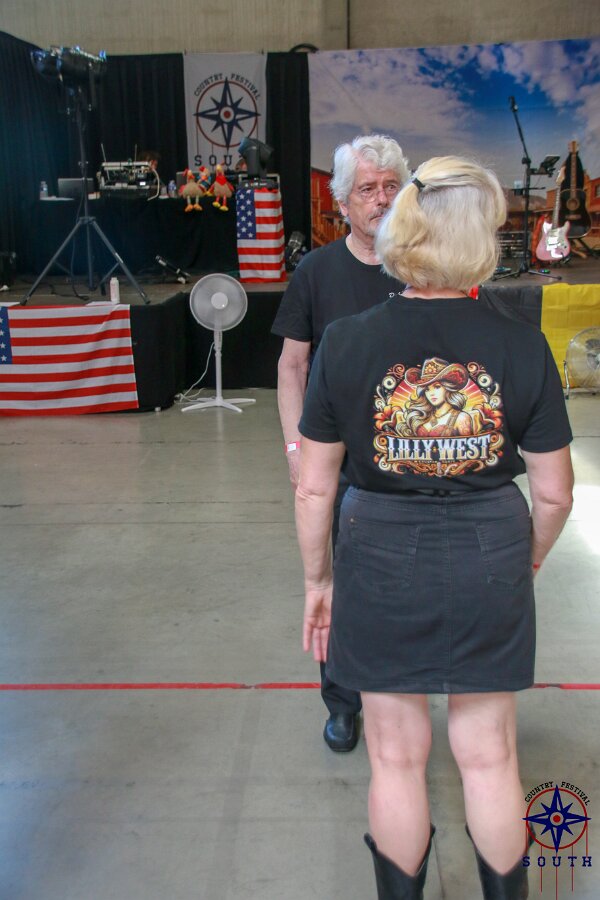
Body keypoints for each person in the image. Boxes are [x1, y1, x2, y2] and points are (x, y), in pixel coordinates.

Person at [295, 156, 574, 898]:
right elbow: (554, 495)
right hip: (489, 548)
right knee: (490, 756)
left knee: (394, 756)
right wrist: (526, 560)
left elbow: (314, 485)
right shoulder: (521, 343)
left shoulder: (347, 342)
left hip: (378, 550)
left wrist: (318, 581)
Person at [272, 135, 410, 752]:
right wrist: (296, 451)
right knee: (335, 586)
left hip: (412, 466)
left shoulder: (423, 266)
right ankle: (342, 702)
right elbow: (292, 366)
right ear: (343, 202)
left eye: (391, 187)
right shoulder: (316, 272)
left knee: (407, 589)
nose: (381, 200)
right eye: (367, 189)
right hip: (339, 465)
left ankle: (398, 696)